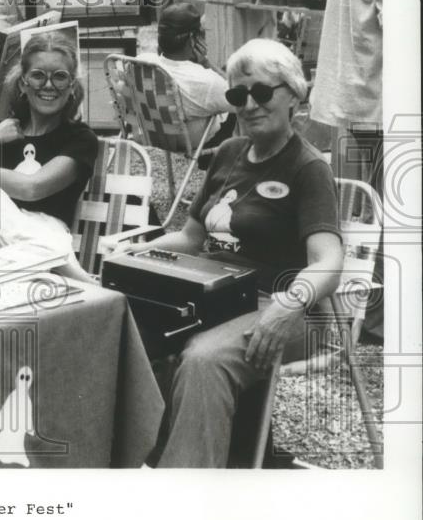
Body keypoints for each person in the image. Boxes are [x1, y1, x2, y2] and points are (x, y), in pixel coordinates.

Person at [116, 39, 342, 468]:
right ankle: (130, 460)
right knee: (120, 322)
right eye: (238, 95)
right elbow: (189, 237)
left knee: (205, 359)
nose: (249, 105)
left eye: (261, 92)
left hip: (281, 308)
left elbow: (328, 259)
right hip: (213, 295)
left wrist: (287, 304)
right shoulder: (228, 152)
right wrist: (134, 252)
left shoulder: (308, 168)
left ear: (293, 93)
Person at [309, 0, 383, 341]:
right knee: (384, 217)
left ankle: (358, 321)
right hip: (380, 99)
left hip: (351, 96)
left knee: (362, 217)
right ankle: (375, 322)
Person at [0, 30, 97, 282]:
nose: (48, 85)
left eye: (59, 77)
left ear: (71, 85)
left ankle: (54, 265)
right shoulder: (1, 131)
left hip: (46, 232)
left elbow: (32, 189)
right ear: (22, 83)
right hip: (0, 239)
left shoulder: (79, 138)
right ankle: (65, 271)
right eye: (38, 75)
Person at [134, 2, 234, 149]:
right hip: (191, 142)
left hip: (152, 135)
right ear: (194, 39)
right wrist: (206, 63)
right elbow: (239, 98)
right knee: (236, 108)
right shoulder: (206, 80)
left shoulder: (141, 62)